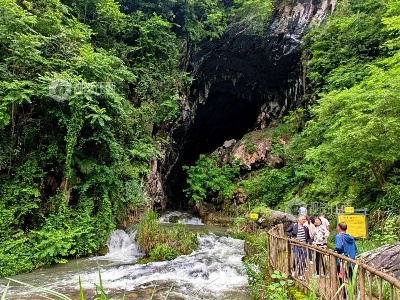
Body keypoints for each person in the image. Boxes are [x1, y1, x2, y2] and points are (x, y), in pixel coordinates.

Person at [334, 222, 358, 299]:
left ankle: (344, 294)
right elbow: (355, 249)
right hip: (351, 261)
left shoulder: (339, 236)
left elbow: (339, 247)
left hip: (342, 261)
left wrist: (335, 251)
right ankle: (354, 294)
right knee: (351, 277)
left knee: (342, 278)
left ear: (339, 228)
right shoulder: (351, 237)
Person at [285, 215, 312, 280]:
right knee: (296, 258)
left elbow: (308, 238)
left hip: (304, 246)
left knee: (303, 260)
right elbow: (287, 231)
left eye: (305, 219)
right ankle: (293, 270)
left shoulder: (306, 228)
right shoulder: (294, 225)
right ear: (299, 219)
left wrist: (312, 242)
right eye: (303, 219)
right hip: (296, 245)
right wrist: (293, 237)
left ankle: (301, 275)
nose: (304, 220)